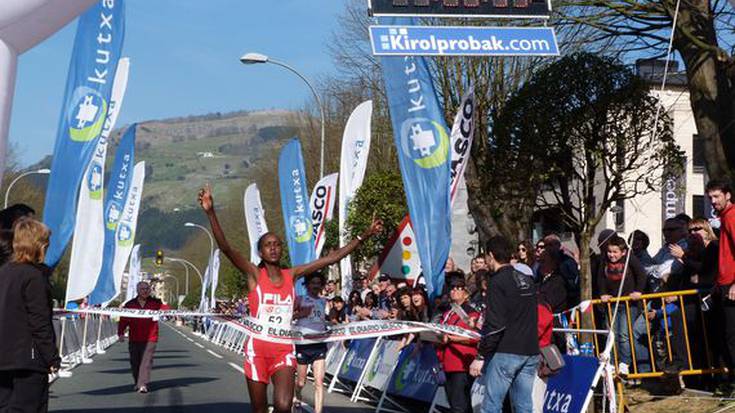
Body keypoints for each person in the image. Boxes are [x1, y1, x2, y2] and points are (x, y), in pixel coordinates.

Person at [198, 184, 382, 413]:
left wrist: (363, 235)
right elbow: (226, 248)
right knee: (259, 410)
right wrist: (211, 212)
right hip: (257, 351)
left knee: (284, 406)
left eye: (277, 245)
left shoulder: (291, 274)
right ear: (261, 252)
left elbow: (331, 258)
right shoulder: (255, 275)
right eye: (268, 245)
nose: (273, 248)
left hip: (283, 349)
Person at [470, 236, 539, 413]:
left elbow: (495, 325)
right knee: (524, 406)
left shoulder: (497, 282)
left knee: (491, 406)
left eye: (486, 257)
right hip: (530, 350)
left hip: (506, 351)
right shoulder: (526, 279)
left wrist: (480, 356)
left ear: (491, 256)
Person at [0, 218, 59, 413]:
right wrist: (52, 358)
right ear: (38, 246)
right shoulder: (34, 277)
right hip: (28, 359)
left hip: (4, 357)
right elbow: (39, 322)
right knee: (29, 407)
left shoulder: (4, 272)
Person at [597, 235, 646, 375]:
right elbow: (600, 278)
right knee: (611, 333)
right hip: (612, 303)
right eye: (609, 252)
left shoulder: (630, 258)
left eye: (615, 252)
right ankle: (611, 363)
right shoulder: (604, 261)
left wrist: (638, 291)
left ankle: (625, 362)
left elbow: (641, 274)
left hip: (628, 303)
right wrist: (603, 294)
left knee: (624, 334)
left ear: (623, 252)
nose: (611, 255)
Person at [706, 180, 735, 395]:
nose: (713, 201)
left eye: (717, 196)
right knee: (725, 336)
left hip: (732, 286)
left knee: (731, 337)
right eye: (710, 198)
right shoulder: (725, 217)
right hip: (723, 285)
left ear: (727, 195)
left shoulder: (732, 216)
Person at [437, 277, 479, 413]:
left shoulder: (471, 313)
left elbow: (474, 338)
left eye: (458, 288)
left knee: (459, 404)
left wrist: (450, 338)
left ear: (466, 293)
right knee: (454, 402)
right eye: (452, 288)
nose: (454, 290)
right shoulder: (448, 312)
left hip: (461, 363)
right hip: (447, 361)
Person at [117, 281, 163, 393]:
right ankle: (137, 382)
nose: (145, 291)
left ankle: (143, 384)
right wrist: (121, 333)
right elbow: (123, 320)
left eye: (147, 289)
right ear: (137, 291)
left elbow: (167, 310)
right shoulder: (130, 304)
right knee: (135, 362)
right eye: (142, 289)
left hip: (150, 338)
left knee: (146, 361)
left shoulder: (156, 303)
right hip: (134, 338)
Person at [294, 273, 328, 413]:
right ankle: (297, 396)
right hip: (303, 344)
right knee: (301, 382)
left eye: (318, 283)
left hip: (319, 344)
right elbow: (288, 316)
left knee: (319, 383)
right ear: (307, 285)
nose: (315, 286)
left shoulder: (324, 301)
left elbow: (326, 320)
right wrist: (300, 314)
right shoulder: (300, 299)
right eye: (313, 283)